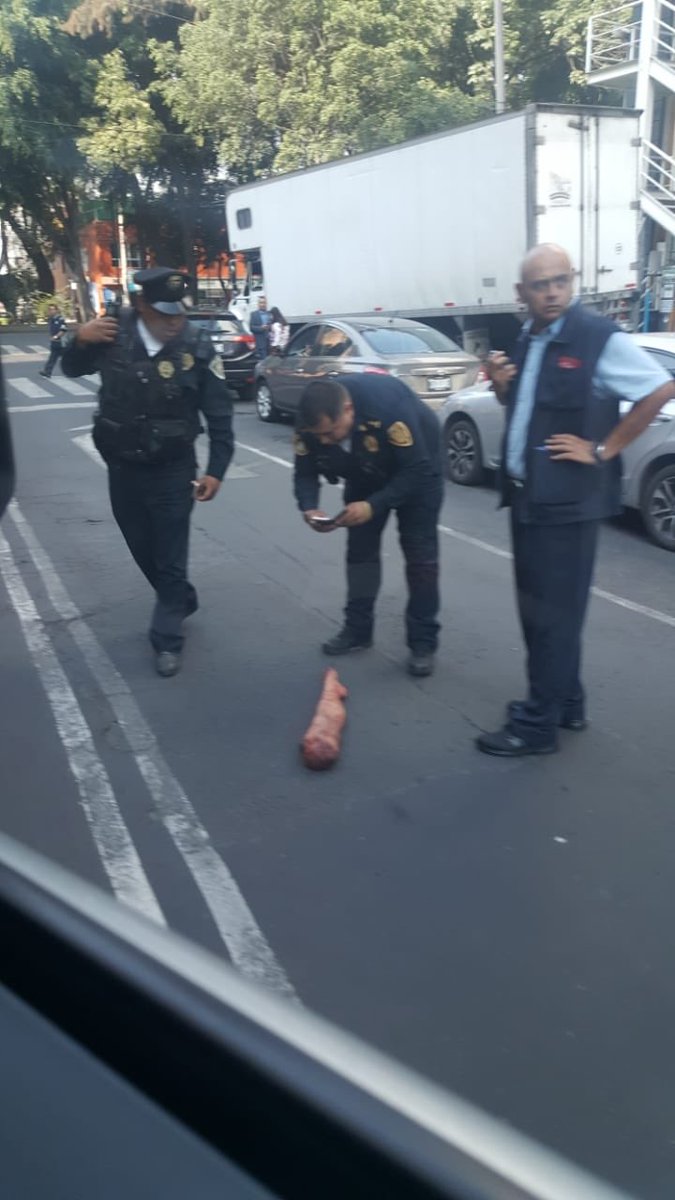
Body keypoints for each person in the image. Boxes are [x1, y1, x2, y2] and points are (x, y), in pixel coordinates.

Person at [477, 243, 675, 757]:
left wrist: (603, 448)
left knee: (548, 618)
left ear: (573, 281)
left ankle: (537, 725)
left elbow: (659, 388)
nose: (552, 292)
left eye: (560, 280)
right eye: (540, 285)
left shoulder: (596, 337)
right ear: (522, 294)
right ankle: (568, 703)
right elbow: (520, 405)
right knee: (551, 615)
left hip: (566, 506)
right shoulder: (528, 338)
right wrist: (500, 387)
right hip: (528, 498)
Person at [61, 266, 235, 678]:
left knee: (171, 555)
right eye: (164, 314)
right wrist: (78, 339)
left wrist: (216, 470)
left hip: (174, 470)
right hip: (122, 467)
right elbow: (71, 369)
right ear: (140, 305)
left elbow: (220, 414)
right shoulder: (110, 333)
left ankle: (168, 639)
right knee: (142, 546)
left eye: (179, 313)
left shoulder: (196, 345)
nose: (174, 322)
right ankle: (180, 599)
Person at [293, 374, 443, 677]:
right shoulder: (311, 418)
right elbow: (304, 471)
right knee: (360, 554)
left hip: (417, 469)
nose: (324, 441)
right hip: (363, 469)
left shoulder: (388, 407)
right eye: (319, 435)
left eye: (330, 433)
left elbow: (416, 468)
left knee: (420, 559)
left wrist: (374, 505)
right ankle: (358, 630)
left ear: (348, 409)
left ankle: (422, 642)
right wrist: (309, 506)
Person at [39, 303, 67, 378]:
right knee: (52, 358)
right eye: (49, 309)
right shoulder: (51, 320)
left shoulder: (60, 319)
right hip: (55, 343)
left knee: (68, 358)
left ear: (56, 310)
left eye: (52, 309)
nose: (50, 311)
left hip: (62, 343)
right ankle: (47, 372)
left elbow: (63, 330)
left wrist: (55, 337)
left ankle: (78, 368)